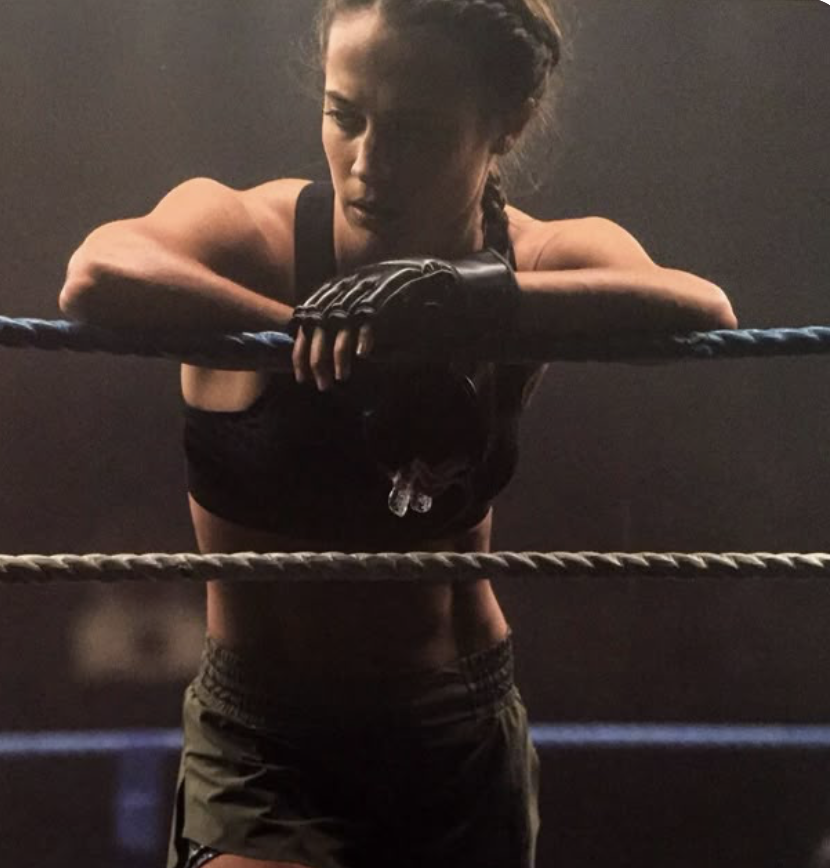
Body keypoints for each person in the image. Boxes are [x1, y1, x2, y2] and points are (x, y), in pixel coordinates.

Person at [59, 1, 737, 866]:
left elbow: (699, 308)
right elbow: (95, 276)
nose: (367, 162)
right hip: (270, 743)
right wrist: (302, 328)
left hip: (458, 729)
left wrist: (465, 299)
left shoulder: (528, 257)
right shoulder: (257, 238)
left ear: (507, 122)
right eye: (345, 115)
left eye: (415, 131)